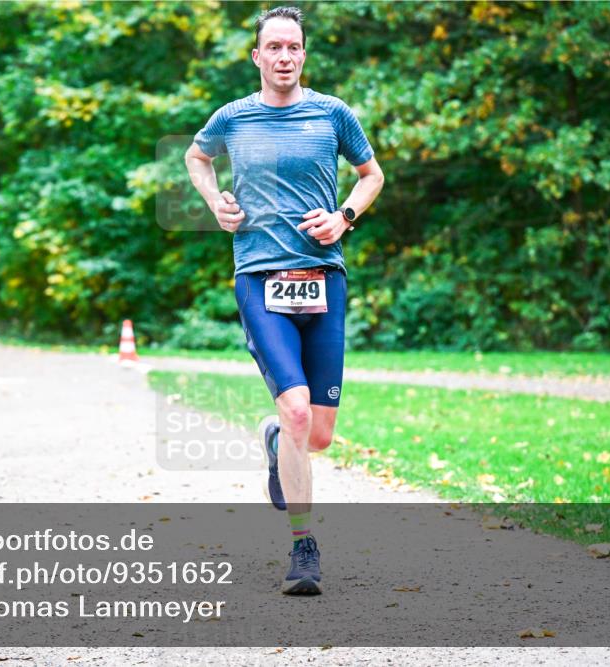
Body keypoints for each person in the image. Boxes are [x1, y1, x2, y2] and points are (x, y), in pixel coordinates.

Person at [184, 6, 385, 595]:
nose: (283, 57)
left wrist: (344, 217)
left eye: (293, 47)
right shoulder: (233, 118)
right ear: (256, 56)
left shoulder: (332, 114)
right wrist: (213, 198)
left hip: (324, 277)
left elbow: (372, 175)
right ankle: (304, 547)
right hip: (259, 278)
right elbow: (197, 157)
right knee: (297, 410)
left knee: (317, 434)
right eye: (273, 47)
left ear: (304, 54)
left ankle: (278, 440)